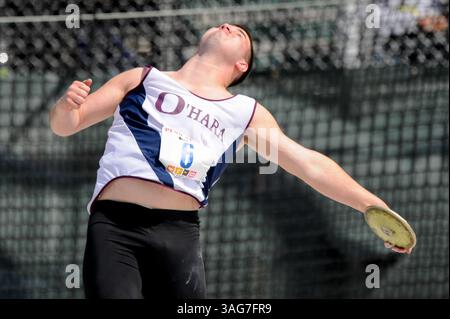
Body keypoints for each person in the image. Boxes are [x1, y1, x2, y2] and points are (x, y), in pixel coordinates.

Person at [49, 23, 413, 299]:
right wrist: (67, 107)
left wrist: (371, 204)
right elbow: (67, 127)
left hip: (178, 236)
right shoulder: (143, 79)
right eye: (225, 24)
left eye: (241, 34)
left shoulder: (244, 112)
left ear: (241, 65)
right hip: (116, 227)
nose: (229, 26)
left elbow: (309, 165)